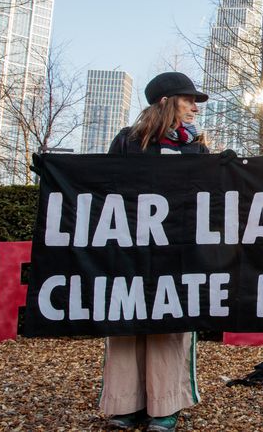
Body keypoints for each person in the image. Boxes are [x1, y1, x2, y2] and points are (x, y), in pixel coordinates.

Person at [100, 72, 209, 431]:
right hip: (130, 253)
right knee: (127, 323)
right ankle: (125, 404)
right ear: (165, 102)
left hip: (177, 256)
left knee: (170, 324)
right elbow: (100, 191)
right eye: (188, 98)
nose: (195, 107)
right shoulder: (126, 143)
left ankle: (164, 405)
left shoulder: (196, 147)